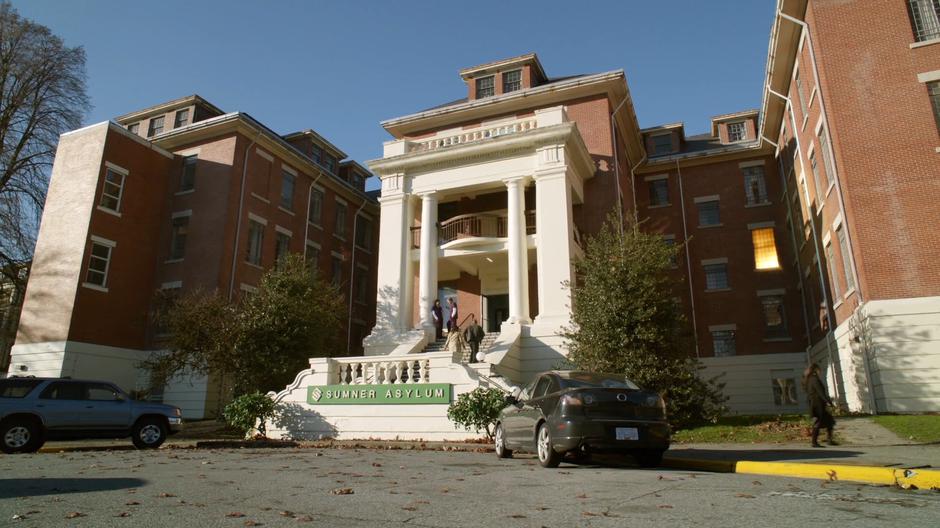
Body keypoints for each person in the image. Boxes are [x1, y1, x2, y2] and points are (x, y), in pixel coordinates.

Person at [803, 362, 836, 447]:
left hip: (814, 403)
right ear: (815, 370)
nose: (820, 371)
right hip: (818, 404)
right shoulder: (814, 379)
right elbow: (820, 392)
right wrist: (828, 401)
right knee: (818, 422)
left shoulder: (808, 379)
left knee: (829, 421)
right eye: (819, 369)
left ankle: (829, 440)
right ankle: (814, 442)